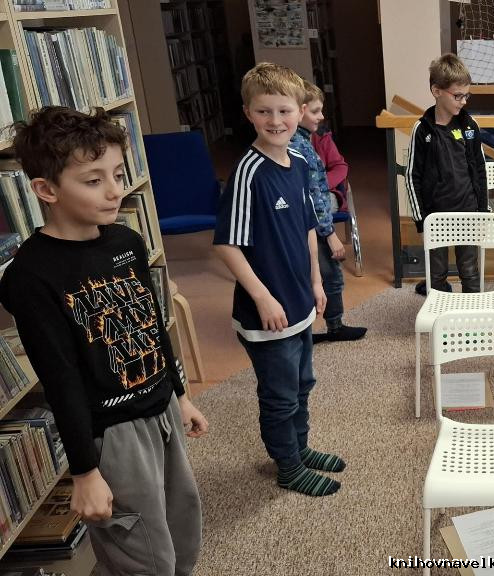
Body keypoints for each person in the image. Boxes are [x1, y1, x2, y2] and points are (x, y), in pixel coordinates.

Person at [0, 106, 208, 574]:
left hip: (161, 409)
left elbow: (152, 327)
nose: (115, 190)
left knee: (182, 531)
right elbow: (60, 379)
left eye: (117, 174)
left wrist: (179, 395)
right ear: (46, 190)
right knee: (142, 555)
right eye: (94, 181)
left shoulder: (125, 242)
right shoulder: (32, 276)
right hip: (112, 434)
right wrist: (85, 471)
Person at [213, 62, 343, 497]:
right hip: (267, 313)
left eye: (284, 111)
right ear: (248, 113)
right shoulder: (247, 173)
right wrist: (263, 298)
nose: (275, 121)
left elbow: (308, 229)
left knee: (303, 384)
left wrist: (317, 283)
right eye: (264, 111)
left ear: (300, 111)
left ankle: (299, 449)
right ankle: (287, 466)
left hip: (300, 301)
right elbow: (227, 245)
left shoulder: (299, 161)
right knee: (280, 395)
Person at [289, 79, 366, 343]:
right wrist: (330, 233)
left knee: (325, 275)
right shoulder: (299, 148)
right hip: (311, 225)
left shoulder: (307, 141)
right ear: (299, 111)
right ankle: (320, 329)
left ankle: (331, 326)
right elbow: (313, 196)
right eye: (315, 111)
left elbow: (324, 182)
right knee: (322, 275)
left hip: (312, 221)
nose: (321, 116)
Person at [407, 53, 487, 296]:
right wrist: (421, 219)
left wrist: (483, 211)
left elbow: (480, 170)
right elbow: (412, 177)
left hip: (468, 211)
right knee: (437, 273)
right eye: (457, 95)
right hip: (436, 215)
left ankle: (473, 314)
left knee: (469, 270)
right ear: (436, 91)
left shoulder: (470, 126)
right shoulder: (422, 130)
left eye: (467, 96)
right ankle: (441, 311)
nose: (463, 101)